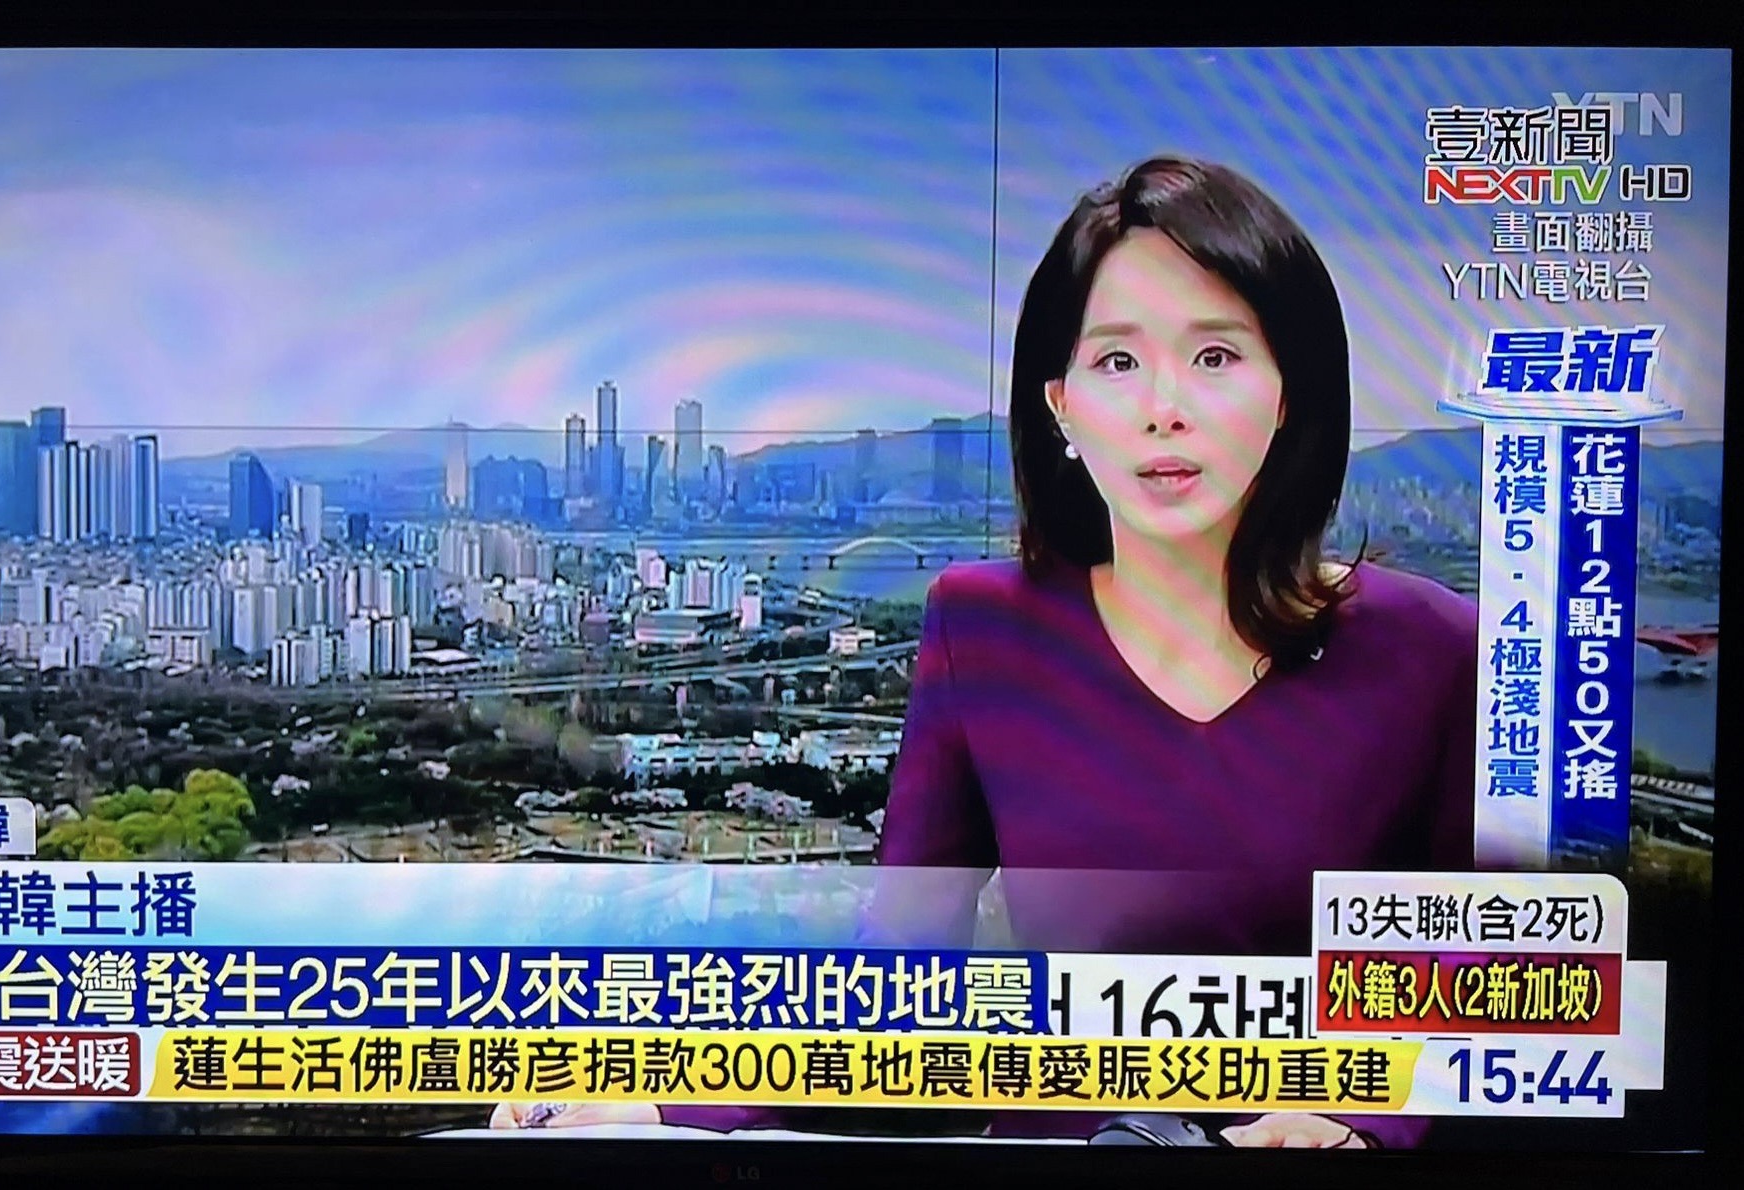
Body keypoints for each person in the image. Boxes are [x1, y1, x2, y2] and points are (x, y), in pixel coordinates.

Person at [492, 155, 1477, 1147]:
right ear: (1060, 404)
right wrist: (670, 1100)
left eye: (1215, 356)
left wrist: (1353, 1118)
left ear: (1289, 391)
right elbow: (903, 979)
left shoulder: (1432, 648)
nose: (1163, 406)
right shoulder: (982, 626)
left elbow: (1485, 970)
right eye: (1117, 361)